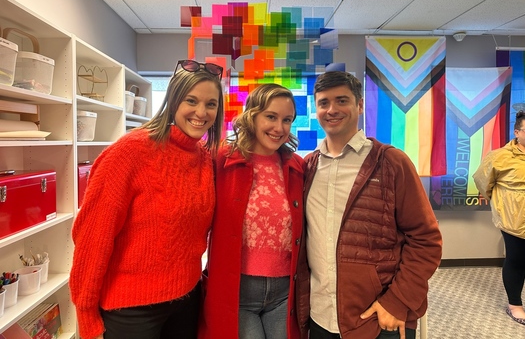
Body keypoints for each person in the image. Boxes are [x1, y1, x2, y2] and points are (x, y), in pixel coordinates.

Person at [69, 59, 224, 339]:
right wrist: (86, 315)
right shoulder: (129, 153)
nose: (201, 112)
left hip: (187, 300)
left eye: (211, 104)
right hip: (131, 309)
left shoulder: (204, 159)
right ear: (173, 101)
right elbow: (92, 238)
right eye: (191, 100)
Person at [295, 71, 442, 339]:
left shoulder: (392, 162)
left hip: (378, 317)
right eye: (324, 103)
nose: (332, 110)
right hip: (320, 315)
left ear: (360, 105)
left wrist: (397, 301)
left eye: (342, 101)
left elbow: (426, 240)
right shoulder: (308, 167)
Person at [199, 83, 305, 339]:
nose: (279, 128)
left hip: (284, 292)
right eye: (271, 117)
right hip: (237, 290)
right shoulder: (221, 160)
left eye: (287, 120)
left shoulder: (297, 167)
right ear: (252, 116)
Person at [473, 110, 525, 325]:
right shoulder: (499, 156)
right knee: (517, 259)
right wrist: (504, 204)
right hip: (513, 219)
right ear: (517, 132)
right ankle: (515, 304)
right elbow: (482, 182)